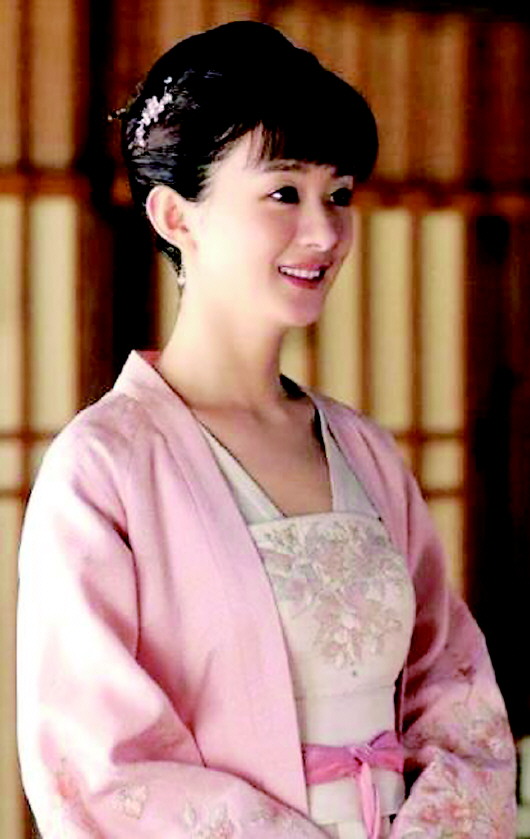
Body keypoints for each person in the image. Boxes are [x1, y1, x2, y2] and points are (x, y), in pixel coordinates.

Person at [17, 20, 516, 839]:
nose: (324, 232)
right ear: (176, 216)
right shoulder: (103, 468)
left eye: (339, 194)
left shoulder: (364, 450)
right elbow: (99, 765)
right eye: (285, 193)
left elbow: (454, 694)